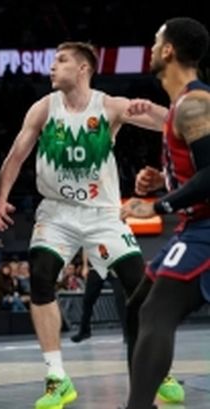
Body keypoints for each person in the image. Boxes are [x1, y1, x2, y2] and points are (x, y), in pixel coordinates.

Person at [0, 41, 178, 409]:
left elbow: (171, 122)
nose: (52, 67)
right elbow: (15, 156)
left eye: (61, 61)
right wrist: (0, 198)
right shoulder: (43, 108)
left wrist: (155, 108)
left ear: (83, 69)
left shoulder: (108, 106)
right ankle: (57, 378)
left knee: (140, 289)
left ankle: (157, 371)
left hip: (102, 214)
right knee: (41, 275)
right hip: (57, 212)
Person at [121, 17, 210, 409]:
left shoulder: (195, 103)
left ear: (169, 50)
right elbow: (198, 168)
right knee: (138, 307)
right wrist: (165, 181)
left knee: (156, 309)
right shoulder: (183, 105)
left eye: (157, 41)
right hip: (194, 226)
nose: (152, 48)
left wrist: (158, 205)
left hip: (205, 229)